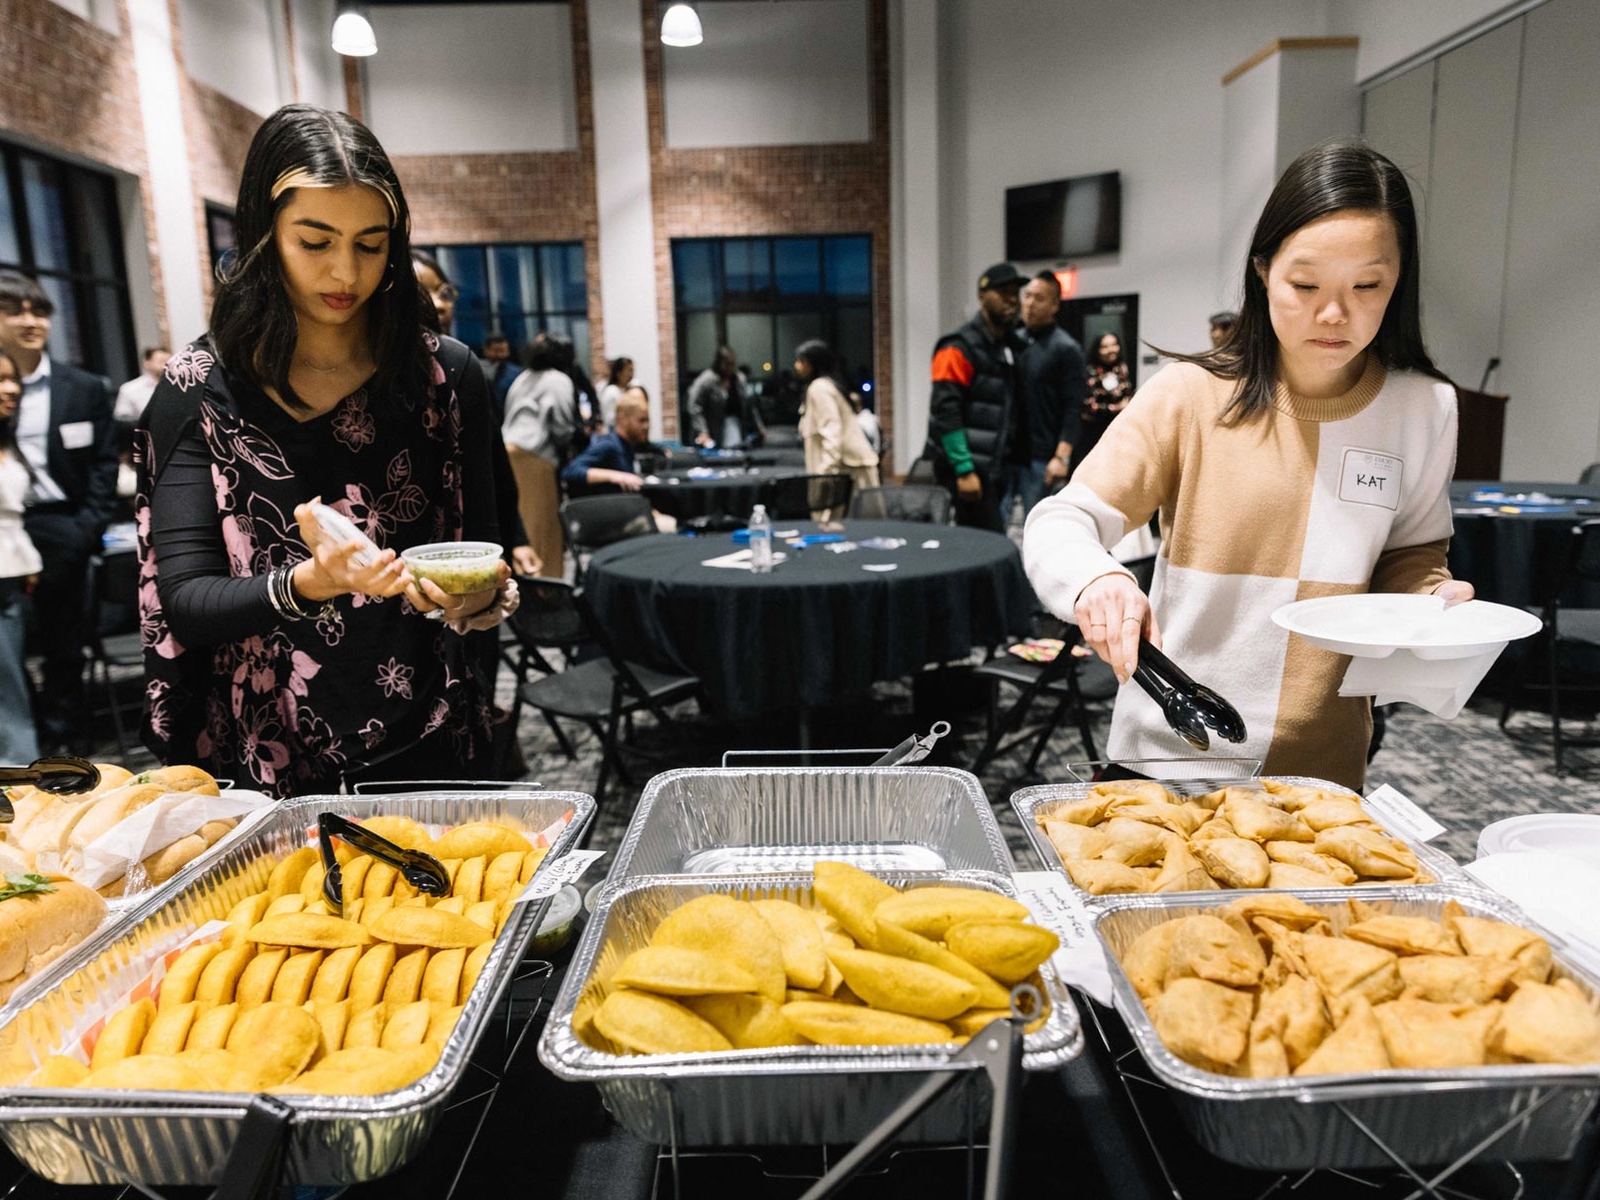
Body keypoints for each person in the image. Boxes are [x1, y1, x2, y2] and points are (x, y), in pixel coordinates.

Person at [1023, 140, 1473, 792]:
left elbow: (1411, 555)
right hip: (1168, 752)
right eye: (1306, 283)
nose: (1333, 313)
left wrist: (1433, 598)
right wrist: (1096, 581)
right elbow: (1062, 518)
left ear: (1400, 278)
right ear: (1263, 271)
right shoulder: (1192, 395)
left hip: (1320, 770)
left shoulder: (1424, 407)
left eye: (1368, 285)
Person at [136, 104, 515, 796]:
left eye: (371, 244)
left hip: (426, 726)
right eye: (315, 242)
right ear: (262, 235)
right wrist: (312, 582)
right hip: (263, 748)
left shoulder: (444, 376)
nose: (346, 272)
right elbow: (185, 598)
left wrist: (483, 598)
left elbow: (484, 545)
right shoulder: (199, 389)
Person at [0, 271, 118, 749]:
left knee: (65, 644)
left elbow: (105, 464)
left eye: (40, 311)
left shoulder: (83, 387)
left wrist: (87, 528)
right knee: (9, 650)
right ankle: (20, 745)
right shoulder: (6, 387)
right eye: (16, 310)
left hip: (63, 523)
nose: (31, 321)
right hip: (9, 524)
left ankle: (63, 746)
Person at [411, 250, 539, 578]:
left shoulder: (462, 368)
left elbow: (494, 467)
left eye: (444, 292)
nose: (439, 304)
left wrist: (519, 538)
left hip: (472, 547)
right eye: (422, 291)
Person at [925, 262, 1027, 532]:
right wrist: (964, 469)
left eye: (1015, 294)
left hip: (995, 466)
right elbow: (945, 410)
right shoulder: (957, 347)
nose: (1011, 300)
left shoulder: (1006, 346)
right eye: (1003, 292)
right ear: (982, 296)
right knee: (982, 544)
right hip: (968, 468)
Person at [1006, 271, 1086, 520]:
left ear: (1054, 305)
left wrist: (1061, 457)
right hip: (1008, 455)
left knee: (1037, 528)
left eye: (1038, 298)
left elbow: (1073, 408)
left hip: (1041, 458)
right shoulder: (1013, 340)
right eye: (1027, 296)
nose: (1029, 304)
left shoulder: (1066, 349)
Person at [502, 332, 576, 576]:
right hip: (536, 456)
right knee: (543, 528)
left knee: (521, 524)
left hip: (508, 451)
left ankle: (522, 586)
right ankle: (546, 589)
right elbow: (563, 427)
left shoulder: (522, 378)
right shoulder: (558, 379)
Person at [0, 349, 42, 763]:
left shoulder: (8, 439)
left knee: (13, 682)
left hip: (13, 575)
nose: (10, 388)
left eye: (12, 379)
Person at [794, 338, 879, 518]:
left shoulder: (819, 388)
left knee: (841, 534)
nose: (797, 366)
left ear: (814, 363)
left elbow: (832, 432)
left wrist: (825, 475)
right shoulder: (825, 385)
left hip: (844, 472)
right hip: (845, 469)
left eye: (802, 361)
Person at [560, 387, 651, 496]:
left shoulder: (628, 447)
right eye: (641, 421)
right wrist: (616, 476)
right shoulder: (609, 445)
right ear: (623, 420)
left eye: (647, 421)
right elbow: (570, 472)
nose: (646, 426)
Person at [1071, 331, 1133, 474]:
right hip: (1093, 432)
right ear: (1097, 350)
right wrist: (1116, 408)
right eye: (1104, 347)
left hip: (1118, 431)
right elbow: (1088, 405)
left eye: (1114, 345)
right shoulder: (1089, 371)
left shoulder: (1121, 368)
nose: (1111, 350)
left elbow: (1128, 394)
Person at [687, 346, 764, 448]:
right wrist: (702, 431)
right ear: (719, 363)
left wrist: (759, 427)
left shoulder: (739, 379)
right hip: (712, 431)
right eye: (726, 364)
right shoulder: (706, 380)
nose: (729, 368)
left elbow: (750, 405)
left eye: (732, 364)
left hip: (734, 429)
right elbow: (694, 406)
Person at [114, 347, 171, 424]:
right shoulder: (130, 389)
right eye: (161, 361)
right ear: (147, 363)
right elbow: (122, 420)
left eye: (169, 361)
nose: (166, 365)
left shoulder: (178, 385)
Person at [480, 333, 521, 413]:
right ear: (486, 350)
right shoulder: (477, 370)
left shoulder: (517, 374)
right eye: (496, 351)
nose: (501, 355)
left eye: (504, 351)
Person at [598, 356, 633, 430]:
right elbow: (609, 419)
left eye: (632, 371)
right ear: (619, 373)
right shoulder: (611, 391)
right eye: (628, 371)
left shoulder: (629, 390)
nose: (631, 375)